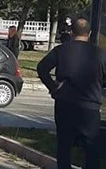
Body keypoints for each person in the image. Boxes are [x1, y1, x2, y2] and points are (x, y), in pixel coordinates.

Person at [36, 18, 106, 169]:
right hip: (90, 106)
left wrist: (53, 86)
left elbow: (42, 67)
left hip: (64, 104)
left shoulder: (61, 50)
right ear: (90, 33)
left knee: (64, 146)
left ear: (71, 32)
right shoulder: (100, 54)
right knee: (91, 148)